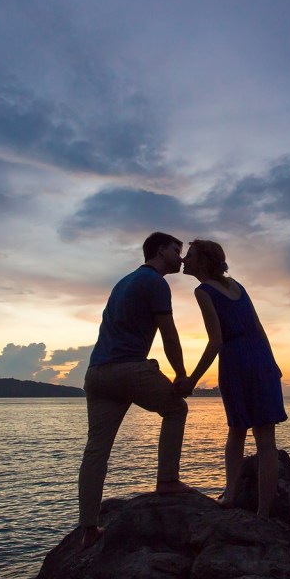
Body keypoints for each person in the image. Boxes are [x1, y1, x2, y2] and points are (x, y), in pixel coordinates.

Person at [78, 232, 194, 549]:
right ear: (160, 250)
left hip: (97, 373)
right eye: (176, 250)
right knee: (176, 409)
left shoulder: (124, 282)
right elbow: (169, 336)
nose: (181, 257)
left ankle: (89, 529)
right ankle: (167, 481)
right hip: (128, 368)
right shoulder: (156, 283)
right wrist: (182, 374)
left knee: (96, 451)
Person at [179, 239, 287, 518]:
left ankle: (231, 496)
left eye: (189, 255)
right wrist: (272, 363)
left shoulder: (202, 291)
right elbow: (259, 327)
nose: (183, 260)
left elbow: (215, 341)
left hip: (236, 359)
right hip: (260, 357)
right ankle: (264, 513)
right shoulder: (238, 285)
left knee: (237, 431)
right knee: (266, 442)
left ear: (202, 261)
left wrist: (192, 380)